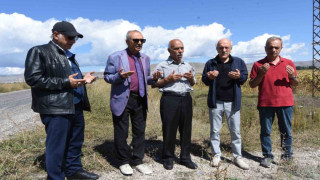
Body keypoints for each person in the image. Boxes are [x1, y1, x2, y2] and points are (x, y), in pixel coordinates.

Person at [24, 21, 99, 180]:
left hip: (75, 105)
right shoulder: (39, 51)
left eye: (75, 38)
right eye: (70, 37)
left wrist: (84, 80)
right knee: (56, 146)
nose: (73, 41)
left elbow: (70, 79)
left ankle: (74, 171)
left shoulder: (68, 55)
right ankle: (55, 176)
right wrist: (65, 82)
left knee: (75, 142)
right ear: (56, 34)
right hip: (56, 108)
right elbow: (33, 79)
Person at [104, 30, 159, 176]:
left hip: (140, 98)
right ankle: (123, 161)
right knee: (122, 131)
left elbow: (145, 79)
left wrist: (153, 79)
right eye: (136, 40)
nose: (139, 43)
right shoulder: (115, 56)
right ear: (128, 41)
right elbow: (107, 77)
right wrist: (119, 76)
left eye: (142, 40)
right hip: (123, 98)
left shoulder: (146, 58)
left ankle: (137, 160)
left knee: (139, 131)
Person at [249, 36, 299, 168]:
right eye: (270, 47)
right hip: (266, 104)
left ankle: (287, 156)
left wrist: (292, 76)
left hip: (286, 103)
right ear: (265, 48)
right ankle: (267, 156)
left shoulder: (289, 63)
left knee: (286, 131)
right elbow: (252, 85)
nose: (273, 50)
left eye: (277, 47)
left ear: (281, 48)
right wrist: (261, 74)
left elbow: (296, 83)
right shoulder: (258, 65)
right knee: (265, 132)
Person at [201, 38, 249, 170]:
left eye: (226, 47)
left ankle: (237, 157)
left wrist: (239, 76)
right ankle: (216, 155)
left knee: (235, 131)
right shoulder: (211, 63)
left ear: (231, 49)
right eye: (221, 47)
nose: (224, 50)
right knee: (215, 131)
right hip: (216, 102)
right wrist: (209, 77)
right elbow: (204, 79)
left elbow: (244, 78)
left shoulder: (238, 62)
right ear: (217, 49)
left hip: (233, 102)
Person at [153, 39, 198, 170]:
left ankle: (185, 158)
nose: (180, 51)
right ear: (169, 50)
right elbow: (154, 84)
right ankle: (168, 158)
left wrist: (190, 78)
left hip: (186, 98)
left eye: (182, 48)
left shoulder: (188, 65)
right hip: (169, 99)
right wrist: (168, 79)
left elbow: (193, 83)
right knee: (169, 129)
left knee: (186, 129)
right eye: (176, 49)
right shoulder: (162, 66)